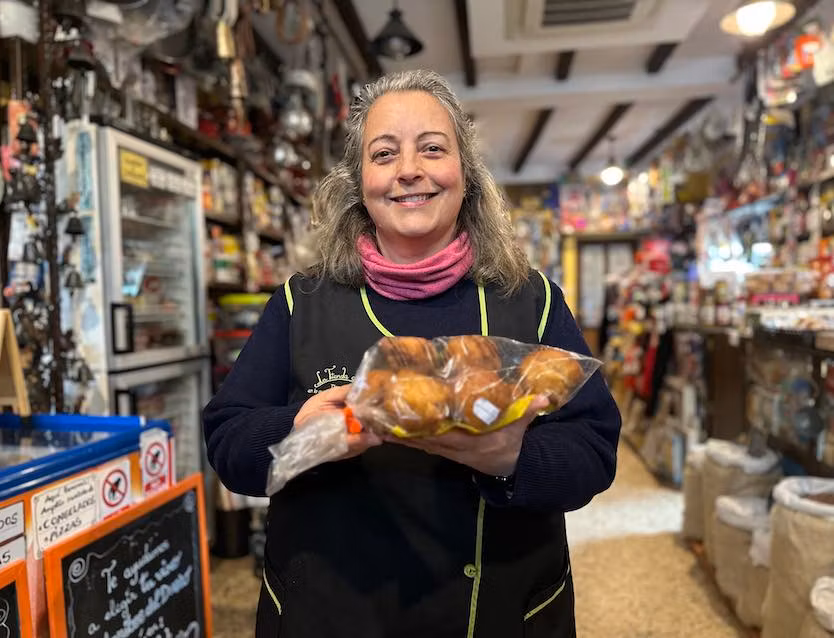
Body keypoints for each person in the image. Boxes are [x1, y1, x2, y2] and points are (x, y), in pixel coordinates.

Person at [203, 69, 621, 638]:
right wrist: (300, 432)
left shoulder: (531, 300)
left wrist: (509, 460)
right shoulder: (304, 303)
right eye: (383, 154)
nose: (409, 171)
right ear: (359, 182)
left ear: (466, 174)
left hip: (498, 608)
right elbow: (228, 443)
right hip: (331, 612)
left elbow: (594, 452)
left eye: (432, 148)